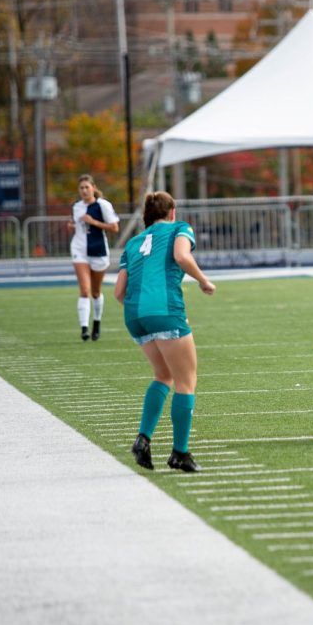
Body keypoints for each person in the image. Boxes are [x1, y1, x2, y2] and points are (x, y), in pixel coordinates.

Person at [114, 191, 215, 473]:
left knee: (163, 375)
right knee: (186, 380)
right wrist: (204, 280)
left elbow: (118, 292)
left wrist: (143, 306)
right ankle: (180, 453)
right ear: (172, 212)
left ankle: (143, 438)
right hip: (164, 308)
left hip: (134, 314)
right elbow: (182, 256)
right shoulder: (179, 228)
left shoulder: (133, 243)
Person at [67, 173, 120, 341]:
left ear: (93, 188)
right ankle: (84, 328)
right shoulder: (77, 206)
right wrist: (71, 226)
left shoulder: (103, 205)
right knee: (84, 290)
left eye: (87, 187)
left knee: (96, 292)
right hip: (79, 249)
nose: (84, 191)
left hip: (98, 250)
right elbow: (76, 224)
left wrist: (94, 222)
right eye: (81, 188)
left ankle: (96, 321)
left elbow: (114, 228)